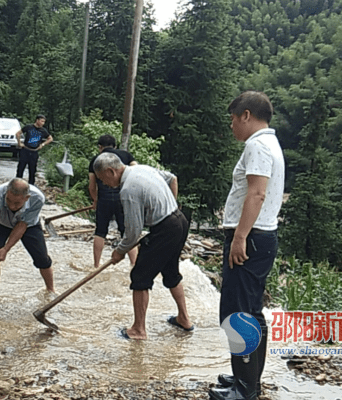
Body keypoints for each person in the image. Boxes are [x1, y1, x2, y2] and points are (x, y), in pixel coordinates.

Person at [208, 91, 285, 400]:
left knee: (238, 314)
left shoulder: (257, 145)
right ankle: (247, 380)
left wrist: (239, 237)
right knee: (251, 312)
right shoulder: (270, 143)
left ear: (247, 115)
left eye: (233, 119)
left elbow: (256, 194)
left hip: (251, 238)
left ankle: (244, 389)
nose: (231, 126)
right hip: (261, 236)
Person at [93, 153, 190, 340]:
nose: (104, 184)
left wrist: (119, 252)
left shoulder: (128, 189)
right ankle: (184, 319)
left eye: (102, 179)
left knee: (140, 276)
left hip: (166, 229)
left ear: (110, 171)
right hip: (179, 220)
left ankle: (138, 330)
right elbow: (172, 178)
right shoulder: (142, 168)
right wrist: (169, 205)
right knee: (170, 271)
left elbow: (133, 232)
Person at [88, 134, 138, 269]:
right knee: (127, 232)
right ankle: (134, 264)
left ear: (100, 147)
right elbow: (137, 171)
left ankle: (96, 265)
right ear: (115, 146)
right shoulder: (126, 155)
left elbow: (92, 186)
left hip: (104, 199)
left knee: (100, 232)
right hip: (124, 198)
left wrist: (95, 201)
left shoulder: (95, 160)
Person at [15, 115, 52, 185]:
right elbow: (18, 133)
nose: (43, 123)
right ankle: (17, 184)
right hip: (25, 150)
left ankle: (31, 185)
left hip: (34, 151)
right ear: (37, 120)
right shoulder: (29, 127)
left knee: (32, 170)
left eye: (44, 122)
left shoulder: (43, 130)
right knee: (20, 168)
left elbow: (50, 138)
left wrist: (42, 144)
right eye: (42, 121)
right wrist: (19, 143)